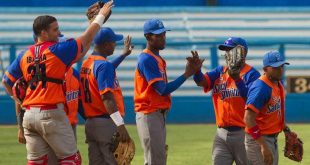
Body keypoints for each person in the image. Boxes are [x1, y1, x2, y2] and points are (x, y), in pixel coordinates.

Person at [1, 2, 114, 164]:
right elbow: (87, 39)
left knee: (36, 162)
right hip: (51, 114)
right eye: (55, 29)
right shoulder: (56, 51)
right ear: (43, 33)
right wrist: (100, 16)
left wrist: (18, 100)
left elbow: (6, 82)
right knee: (72, 159)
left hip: (29, 116)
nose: (59, 32)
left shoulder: (24, 54)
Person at [134, 18, 203, 165]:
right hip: (149, 114)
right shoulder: (147, 59)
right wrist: (187, 74)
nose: (163, 38)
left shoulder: (156, 58)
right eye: (158, 35)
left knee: (157, 159)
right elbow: (162, 89)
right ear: (147, 37)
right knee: (155, 161)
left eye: (163, 34)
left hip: (156, 115)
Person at [193, 37, 260, 165]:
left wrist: (238, 80)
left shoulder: (252, 74)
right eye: (226, 50)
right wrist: (197, 72)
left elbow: (252, 101)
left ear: (243, 52)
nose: (227, 53)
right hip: (221, 134)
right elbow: (201, 81)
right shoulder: (220, 71)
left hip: (244, 133)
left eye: (231, 50)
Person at [80, 27, 133, 165]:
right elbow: (107, 98)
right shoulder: (103, 66)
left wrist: (122, 55)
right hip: (106, 123)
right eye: (113, 42)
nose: (115, 44)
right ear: (105, 45)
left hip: (91, 123)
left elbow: (105, 69)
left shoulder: (87, 63)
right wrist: (120, 125)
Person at [244, 51, 289, 165]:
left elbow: (276, 113)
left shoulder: (277, 83)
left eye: (282, 66)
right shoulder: (261, 88)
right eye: (276, 67)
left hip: (272, 139)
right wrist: (263, 145)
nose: (280, 70)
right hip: (259, 140)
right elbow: (248, 119)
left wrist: (286, 130)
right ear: (265, 69)